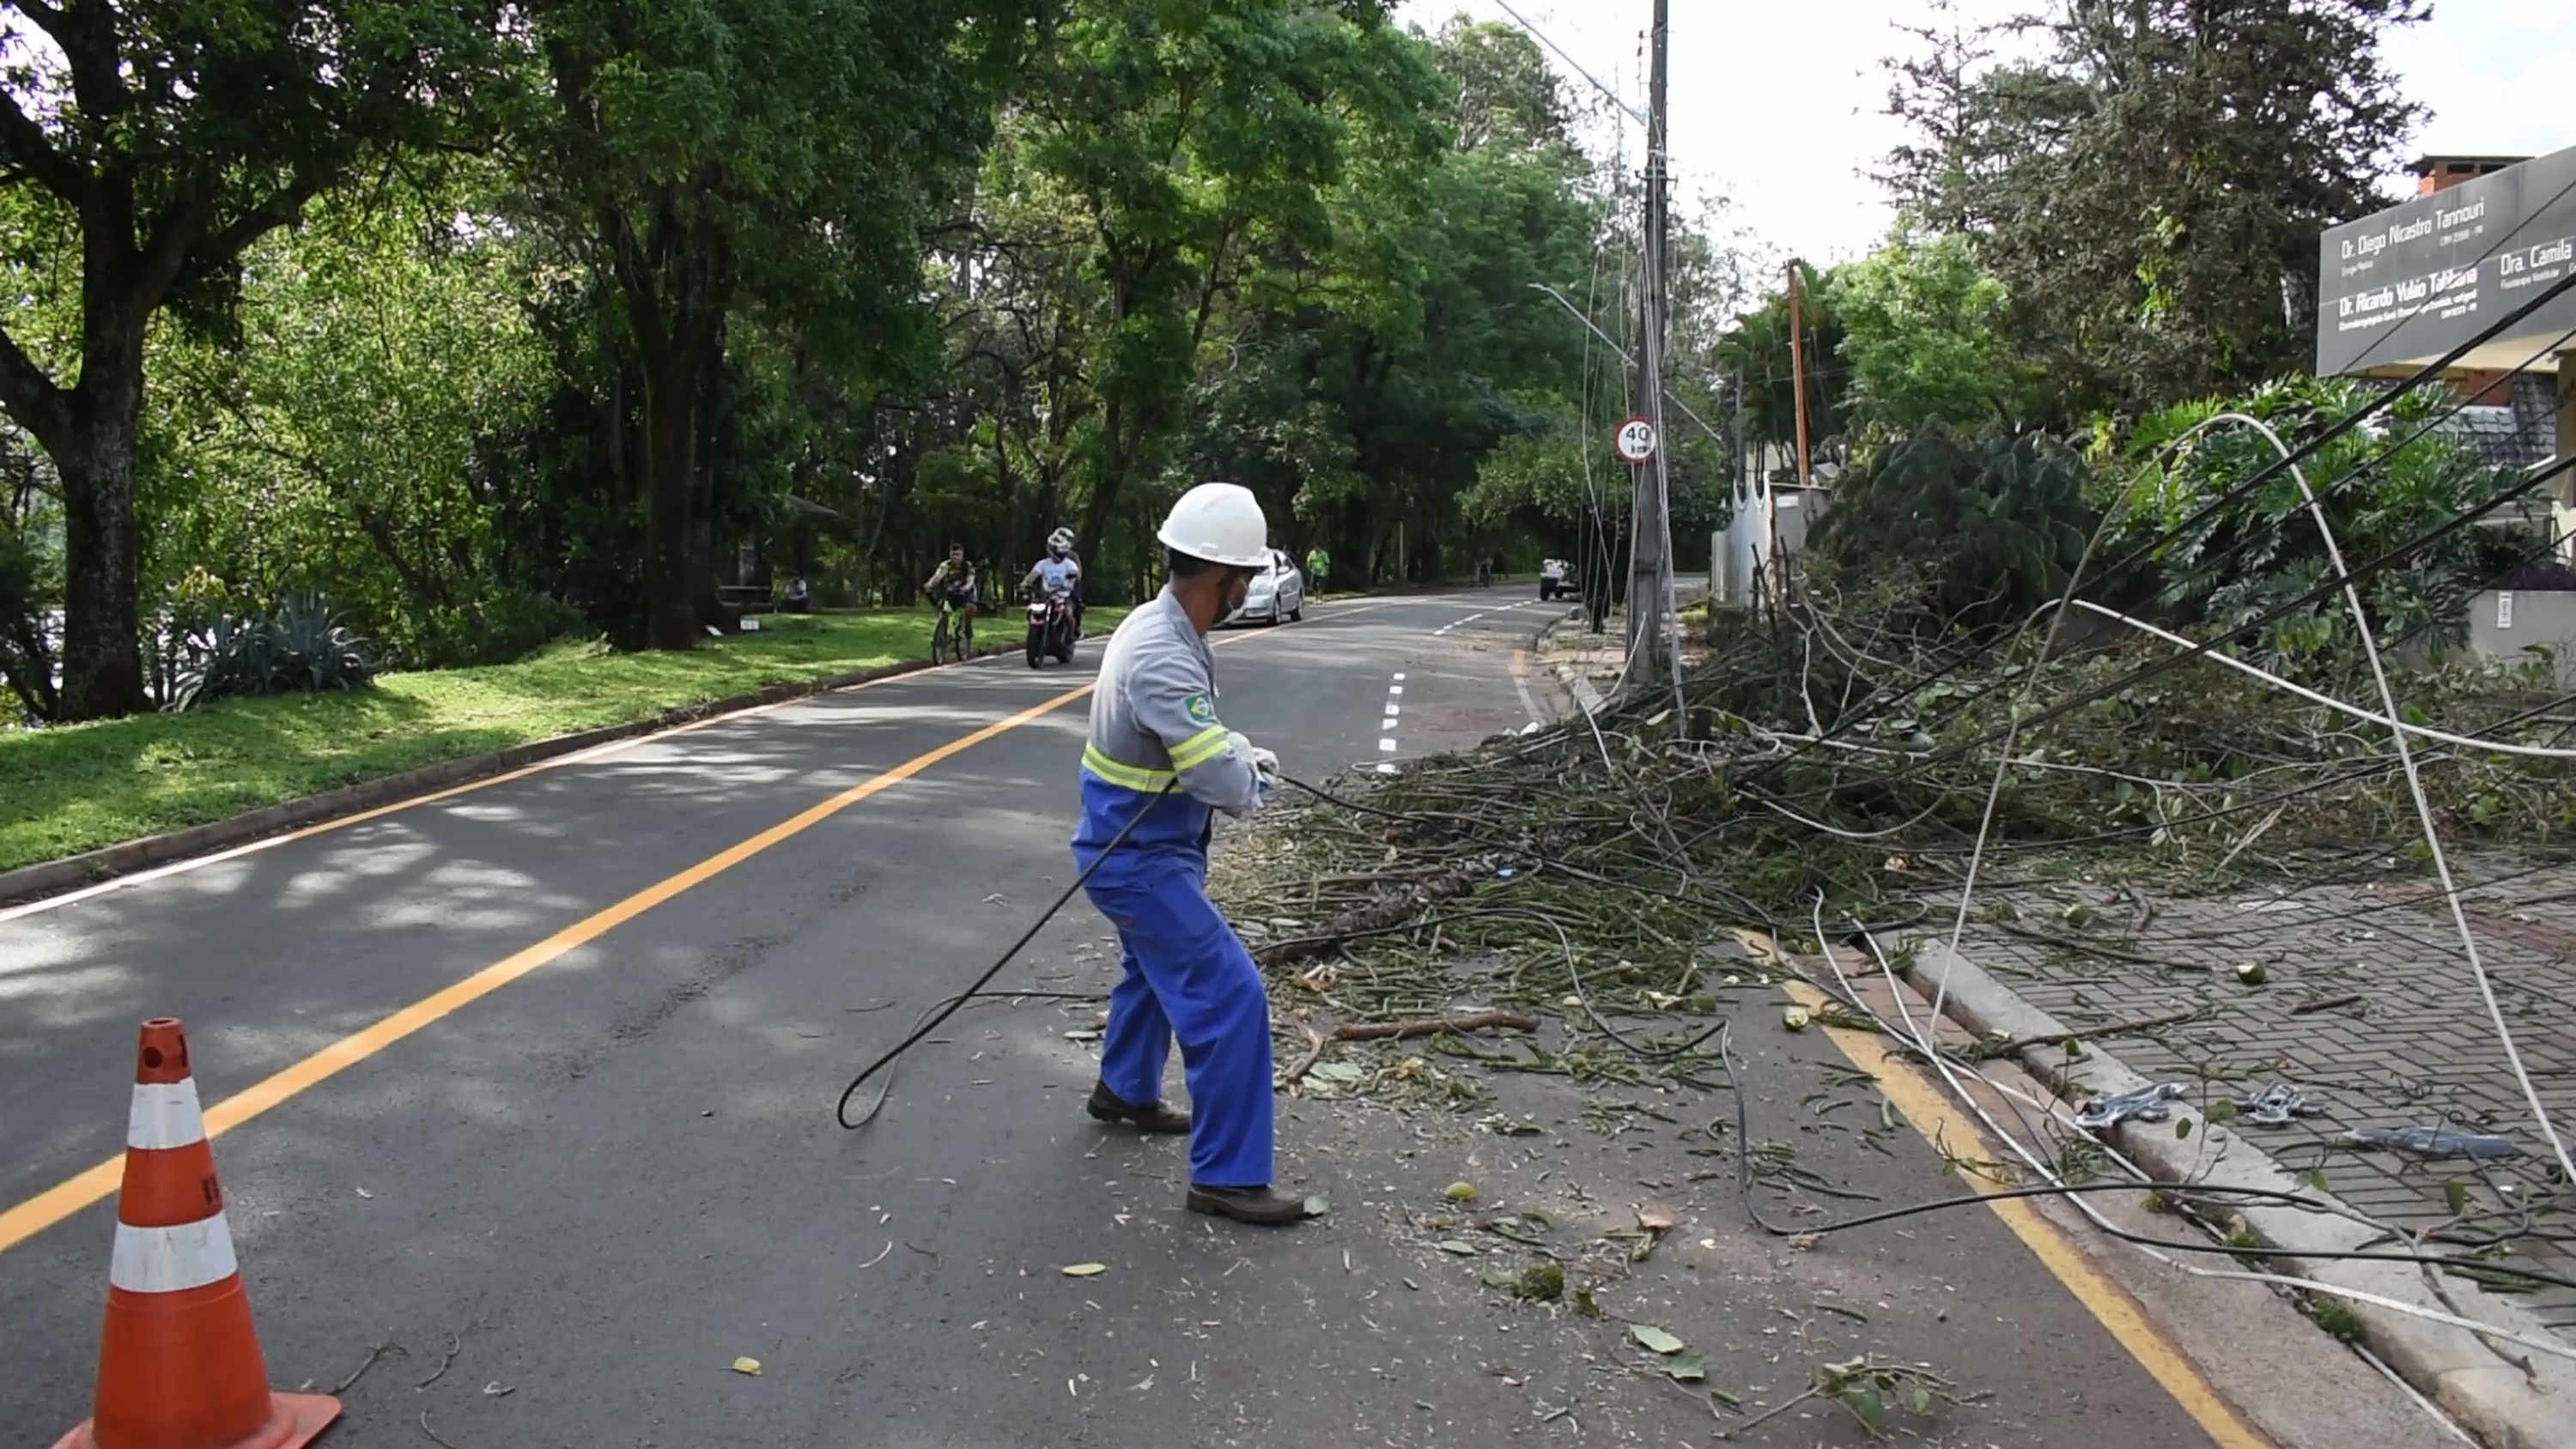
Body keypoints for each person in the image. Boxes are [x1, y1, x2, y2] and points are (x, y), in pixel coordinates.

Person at [1073, 482, 1305, 1226]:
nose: (1249, 589)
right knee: (1232, 994)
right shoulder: (1163, 654)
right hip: (1136, 860)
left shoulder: (1163, 626)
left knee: (1150, 970)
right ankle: (1227, 1178)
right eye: (1247, 579)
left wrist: (1240, 751)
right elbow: (1213, 777)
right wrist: (1252, 780)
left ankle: (1124, 1091)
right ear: (1230, 579)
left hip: (1145, 849)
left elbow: (1195, 742)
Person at [1022, 526, 1084, 631]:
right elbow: (1035, 572)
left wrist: (1071, 580)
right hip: (1048, 591)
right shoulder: (1045, 560)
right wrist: (1025, 583)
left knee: (1075, 603)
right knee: (1036, 605)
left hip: (1066, 589)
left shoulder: (1072, 558)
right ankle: (1035, 629)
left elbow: (1077, 574)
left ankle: (1076, 627)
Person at [923, 544, 977, 620]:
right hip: (950, 592)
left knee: (971, 608)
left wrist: (965, 588)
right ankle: (939, 611)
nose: (955, 557)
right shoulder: (946, 565)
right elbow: (938, 576)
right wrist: (930, 584)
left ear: (962, 555)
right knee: (944, 611)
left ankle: (964, 624)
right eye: (953, 554)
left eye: (958, 555)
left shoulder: (968, 566)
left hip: (965, 592)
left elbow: (970, 581)